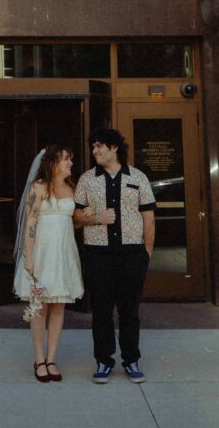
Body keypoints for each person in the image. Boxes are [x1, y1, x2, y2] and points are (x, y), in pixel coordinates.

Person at [74, 127, 156, 384]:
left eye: (100, 146)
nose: (94, 151)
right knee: (101, 310)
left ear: (114, 148)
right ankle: (103, 361)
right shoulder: (87, 179)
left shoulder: (138, 177)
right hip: (98, 253)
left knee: (129, 310)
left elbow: (149, 217)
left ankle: (131, 360)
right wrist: (96, 218)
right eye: (93, 146)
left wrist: (146, 253)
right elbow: (75, 218)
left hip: (132, 253)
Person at [13, 145, 84, 383]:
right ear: (52, 162)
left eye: (70, 160)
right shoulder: (39, 187)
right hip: (42, 253)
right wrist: (30, 257)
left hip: (63, 253)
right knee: (40, 306)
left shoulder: (72, 188)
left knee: (59, 306)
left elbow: (73, 222)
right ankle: (39, 358)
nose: (70, 164)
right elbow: (30, 224)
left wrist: (90, 218)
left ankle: (52, 358)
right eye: (66, 159)